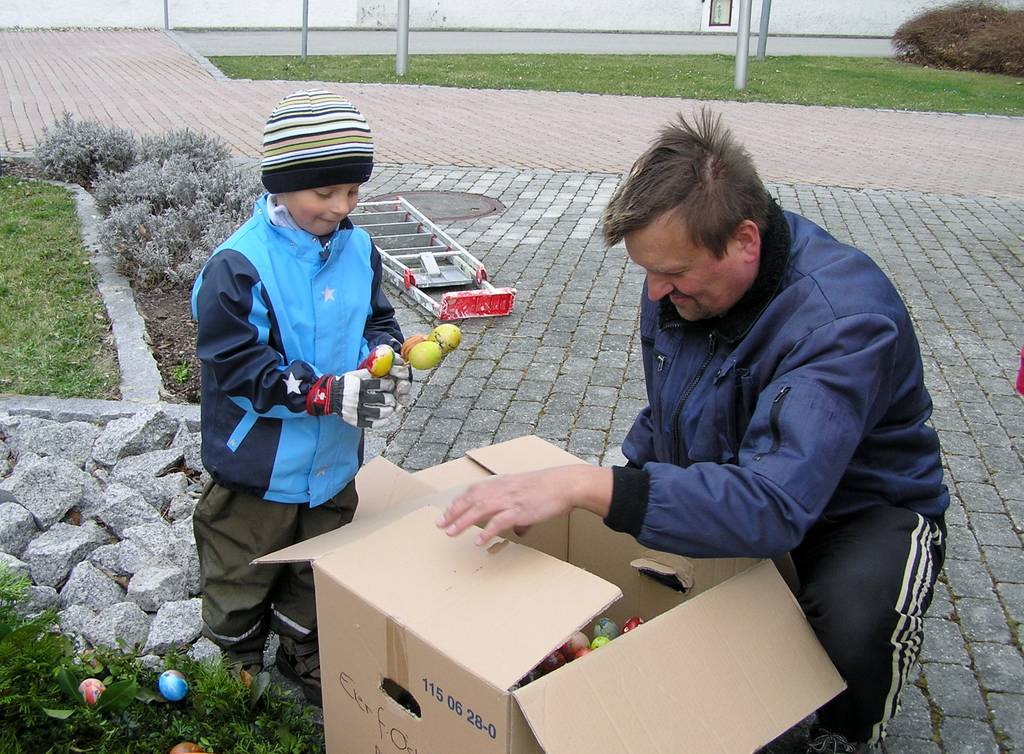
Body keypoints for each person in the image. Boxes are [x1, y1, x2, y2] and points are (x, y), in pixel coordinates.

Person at [437, 109, 948, 754]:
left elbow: (775, 501)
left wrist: (591, 488)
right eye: (646, 272)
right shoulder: (685, 288)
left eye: (672, 275)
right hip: (742, 483)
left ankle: (848, 733)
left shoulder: (840, 322)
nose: (653, 295)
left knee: (853, 630)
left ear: (744, 241)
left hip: (859, 510)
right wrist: (602, 502)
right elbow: (670, 412)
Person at [191, 89, 411, 706]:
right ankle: (233, 654)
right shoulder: (238, 267)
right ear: (282, 185)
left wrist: (380, 359)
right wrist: (324, 393)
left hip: (334, 461)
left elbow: (378, 322)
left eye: (353, 192)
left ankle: (299, 650)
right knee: (240, 565)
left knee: (316, 565)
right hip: (258, 469)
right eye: (325, 193)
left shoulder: (357, 247)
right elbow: (242, 370)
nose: (342, 208)